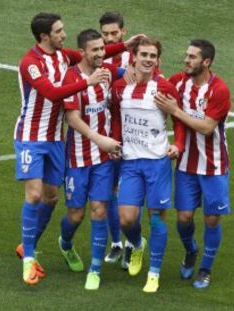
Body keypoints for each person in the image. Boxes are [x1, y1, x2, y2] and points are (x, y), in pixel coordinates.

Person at [14, 12, 130, 285]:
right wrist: (86, 83)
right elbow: (52, 93)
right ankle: (29, 257)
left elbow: (92, 52)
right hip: (31, 138)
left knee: (51, 198)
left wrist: (127, 45)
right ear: (44, 36)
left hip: (56, 139)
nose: (63, 35)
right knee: (33, 195)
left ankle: (27, 246)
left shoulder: (63, 56)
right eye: (58, 31)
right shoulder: (30, 63)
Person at [154, 39, 231, 289]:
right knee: (184, 217)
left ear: (206, 62)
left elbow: (207, 128)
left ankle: (205, 269)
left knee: (211, 219)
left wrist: (176, 111)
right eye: (186, 55)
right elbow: (155, 81)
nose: (186, 60)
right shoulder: (178, 82)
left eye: (192, 57)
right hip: (186, 165)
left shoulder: (218, 90)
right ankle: (190, 250)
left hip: (213, 166)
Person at [110, 37, 185, 293]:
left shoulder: (165, 88)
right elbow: (117, 117)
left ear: (158, 60)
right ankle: (137, 245)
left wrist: (179, 146)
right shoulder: (120, 88)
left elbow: (178, 121)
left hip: (157, 163)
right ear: (134, 57)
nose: (148, 59)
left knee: (157, 219)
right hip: (130, 162)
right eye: (144, 54)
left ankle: (154, 273)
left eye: (153, 56)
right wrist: (116, 142)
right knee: (126, 219)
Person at [58, 29, 121, 290]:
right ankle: (65, 243)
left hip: (103, 159)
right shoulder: (72, 78)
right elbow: (72, 118)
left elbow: (129, 75)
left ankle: (94, 268)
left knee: (99, 210)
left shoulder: (106, 72)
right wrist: (100, 140)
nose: (100, 54)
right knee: (75, 214)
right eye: (94, 50)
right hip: (77, 158)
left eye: (102, 48)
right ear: (81, 52)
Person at [99, 11, 135, 268]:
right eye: (105, 34)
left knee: (130, 193)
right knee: (110, 191)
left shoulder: (138, 57)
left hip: (132, 136)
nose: (110, 38)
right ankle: (116, 243)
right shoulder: (97, 56)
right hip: (106, 136)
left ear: (123, 32)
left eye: (114, 33)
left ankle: (133, 245)